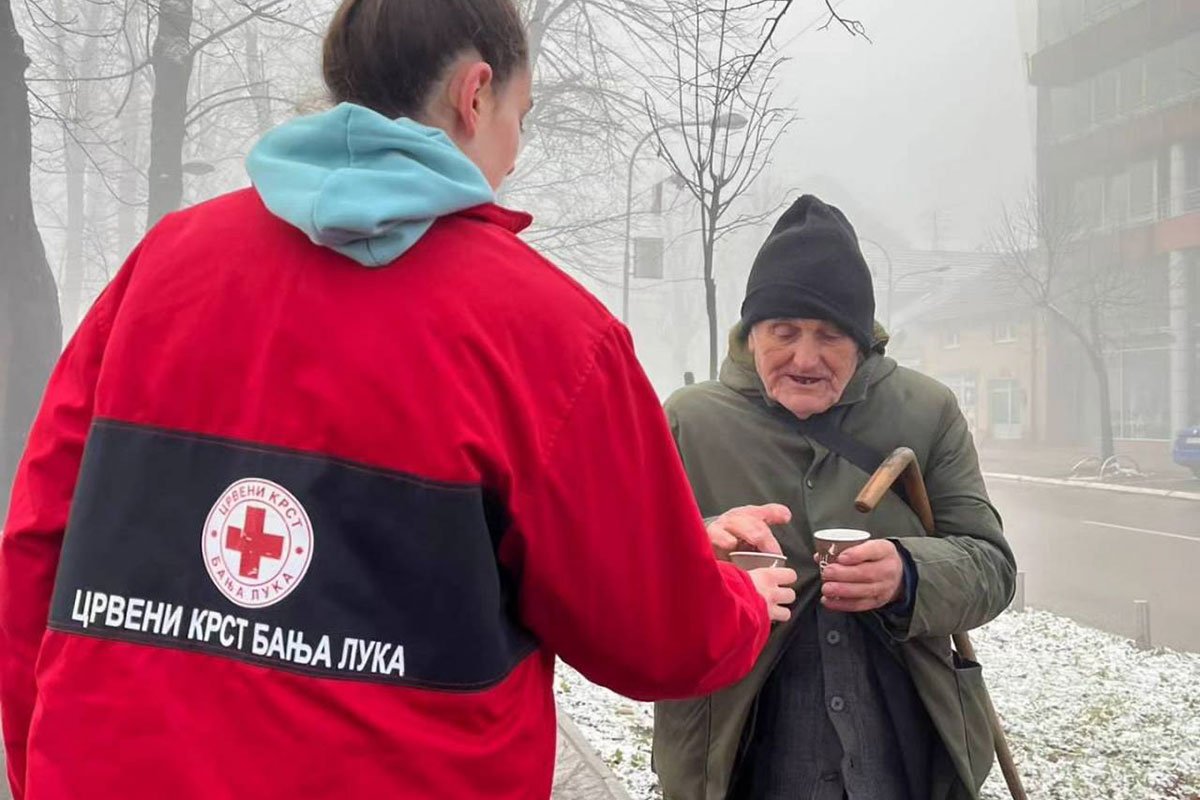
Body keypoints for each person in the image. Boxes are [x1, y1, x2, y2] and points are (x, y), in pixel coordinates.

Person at [0, 1, 797, 797]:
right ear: (475, 94)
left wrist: (46, 767)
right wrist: (739, 598)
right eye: (520, 115)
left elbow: (39, 544)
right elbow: (658, 636)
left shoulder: (159, 269)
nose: (513, 155)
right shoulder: (549, 335)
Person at [653, 195, 1017, 800]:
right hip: (738, 747)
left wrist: (910, 573)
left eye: (830, 335)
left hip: (905, 744)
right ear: (751, 334)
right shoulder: (691, 421)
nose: (805, 357)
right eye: (784, 332)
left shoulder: (926, 412)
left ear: (863, 340)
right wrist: (705, 549)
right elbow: (632, 576)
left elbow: (992, 566)